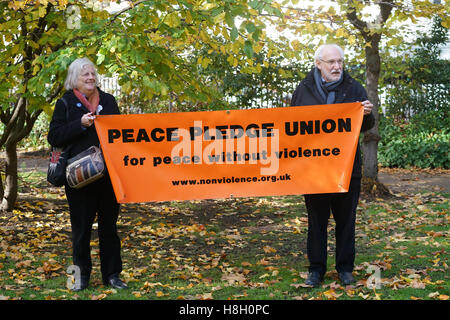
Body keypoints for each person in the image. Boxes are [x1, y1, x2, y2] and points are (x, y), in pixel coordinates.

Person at [290, 44, 375, 287]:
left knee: (346, 221)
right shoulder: (303, 90)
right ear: (318, 64)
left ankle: (345, 269)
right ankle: (316, 271)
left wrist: (366, 114)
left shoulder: (354, 87)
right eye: (331, 62)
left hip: (347, 169)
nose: (337, 67)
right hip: (314, 169)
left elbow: (367, 125)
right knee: (316, 222)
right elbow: (292, 127)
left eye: (340, 61)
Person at [48, 58, 127, 291]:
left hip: (108, 177)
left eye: (93, 73)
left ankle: (112, 275)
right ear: (75, 78)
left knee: (109, 229)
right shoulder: (65, 102)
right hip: (79, 177)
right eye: (85, 75)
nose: (91, 77)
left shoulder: (109, 101)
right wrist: (80, 124)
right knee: (81, 231)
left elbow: (121, 133)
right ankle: (79, 277)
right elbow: (54, 136)